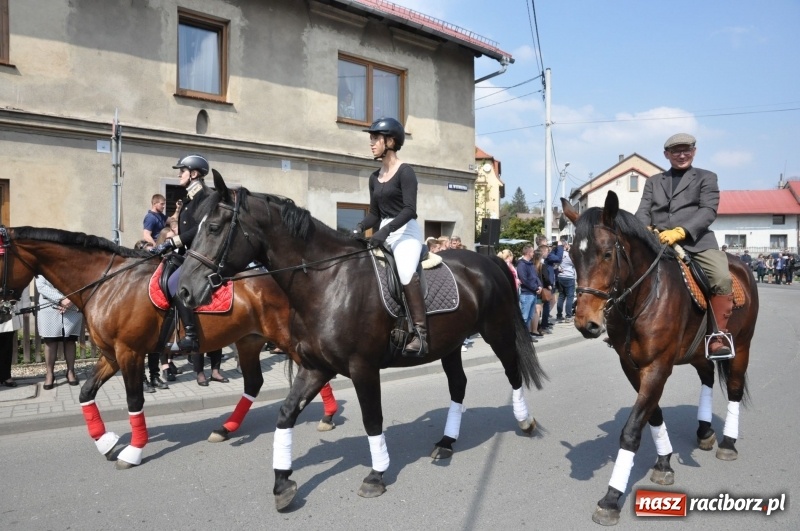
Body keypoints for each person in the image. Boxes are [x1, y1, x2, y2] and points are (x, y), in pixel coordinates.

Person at [635, 133, 734, 358]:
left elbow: (708, 210)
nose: (682, 155)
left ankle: (718, 337)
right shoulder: (653, 181)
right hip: (658, 240)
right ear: (666, 155)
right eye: (676, 151)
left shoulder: (707, 177)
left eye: (686, 150)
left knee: (721, 277)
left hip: (696, 242)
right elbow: (643, 210)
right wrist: (644, 229)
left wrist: (681, 231)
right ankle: (621, 327)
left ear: (694, 151)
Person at [352, 117, 427, 357]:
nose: (371, 143)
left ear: (390, 141)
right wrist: (359, 227)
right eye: (371, 138)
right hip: (384, 231)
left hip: (406, 231)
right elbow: (374, 214)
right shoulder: (374, 177)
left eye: (376, 138)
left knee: (405, 272)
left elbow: (409, 209)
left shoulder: (406, 172)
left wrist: (385, 231)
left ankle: (420, 333)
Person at [149, 154, 212, 355]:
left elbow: (201, 229)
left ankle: (192, 335)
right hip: (188, 253)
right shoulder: (189, 199)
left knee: (174, 282)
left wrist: (173, 242)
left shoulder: (207, 197)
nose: (179, 176)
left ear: (193, 174)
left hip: (201, 254)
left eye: (182, 171)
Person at [35, 277, 83, 389]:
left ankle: (70, 371)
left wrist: (70, 300)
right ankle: (49, 374)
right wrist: (61, 299)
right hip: (49, 305)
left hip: (72, 304)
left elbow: (80, 281)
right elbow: (41, 286)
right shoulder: (42, 264)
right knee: (50, 341)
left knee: (70, 341)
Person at [0, 286, 30, 388]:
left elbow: (24, 285)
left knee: (7, 347)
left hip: (9, 309)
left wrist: (26, 306)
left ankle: (6, 376)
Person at [516, 244, 542, 341]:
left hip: (533, 293)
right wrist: (535, 288)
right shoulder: (522, 264)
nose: (533, 253)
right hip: (526, 294)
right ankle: (521, 336)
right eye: (532, 251)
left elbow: (536, 276)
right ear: (528, 253)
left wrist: (540, 286)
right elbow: (524, 280)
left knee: (530, 316)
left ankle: (526, 336)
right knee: (525, 317)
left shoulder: (530, 264)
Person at [555, 237, 576, 323]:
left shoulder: (557, 254)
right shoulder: (568, 254)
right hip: (569, 277)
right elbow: (574, 263)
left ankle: (559, 315)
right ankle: (568, 316)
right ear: (565, 245)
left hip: (560, 276)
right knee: (570, 297)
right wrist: (570, 250)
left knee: (561, 296)